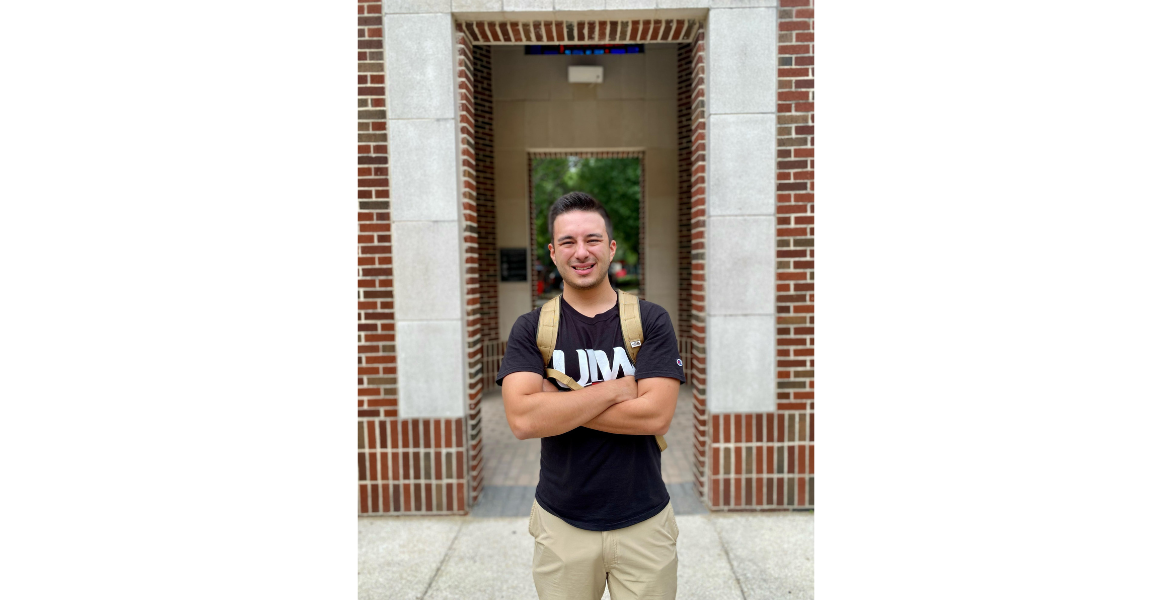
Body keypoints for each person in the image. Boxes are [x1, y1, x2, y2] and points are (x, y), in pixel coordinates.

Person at [496, 191, 686, 600]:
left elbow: (655, 417)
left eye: (593, 239)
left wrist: (556, 400)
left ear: (611, 247)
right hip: (562, 526)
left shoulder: (650, 320)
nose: (581, 252)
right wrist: (620, 388)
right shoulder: (531, 329)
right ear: (553, 251)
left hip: (645, 524)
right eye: (568, 242)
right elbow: (523, 421)